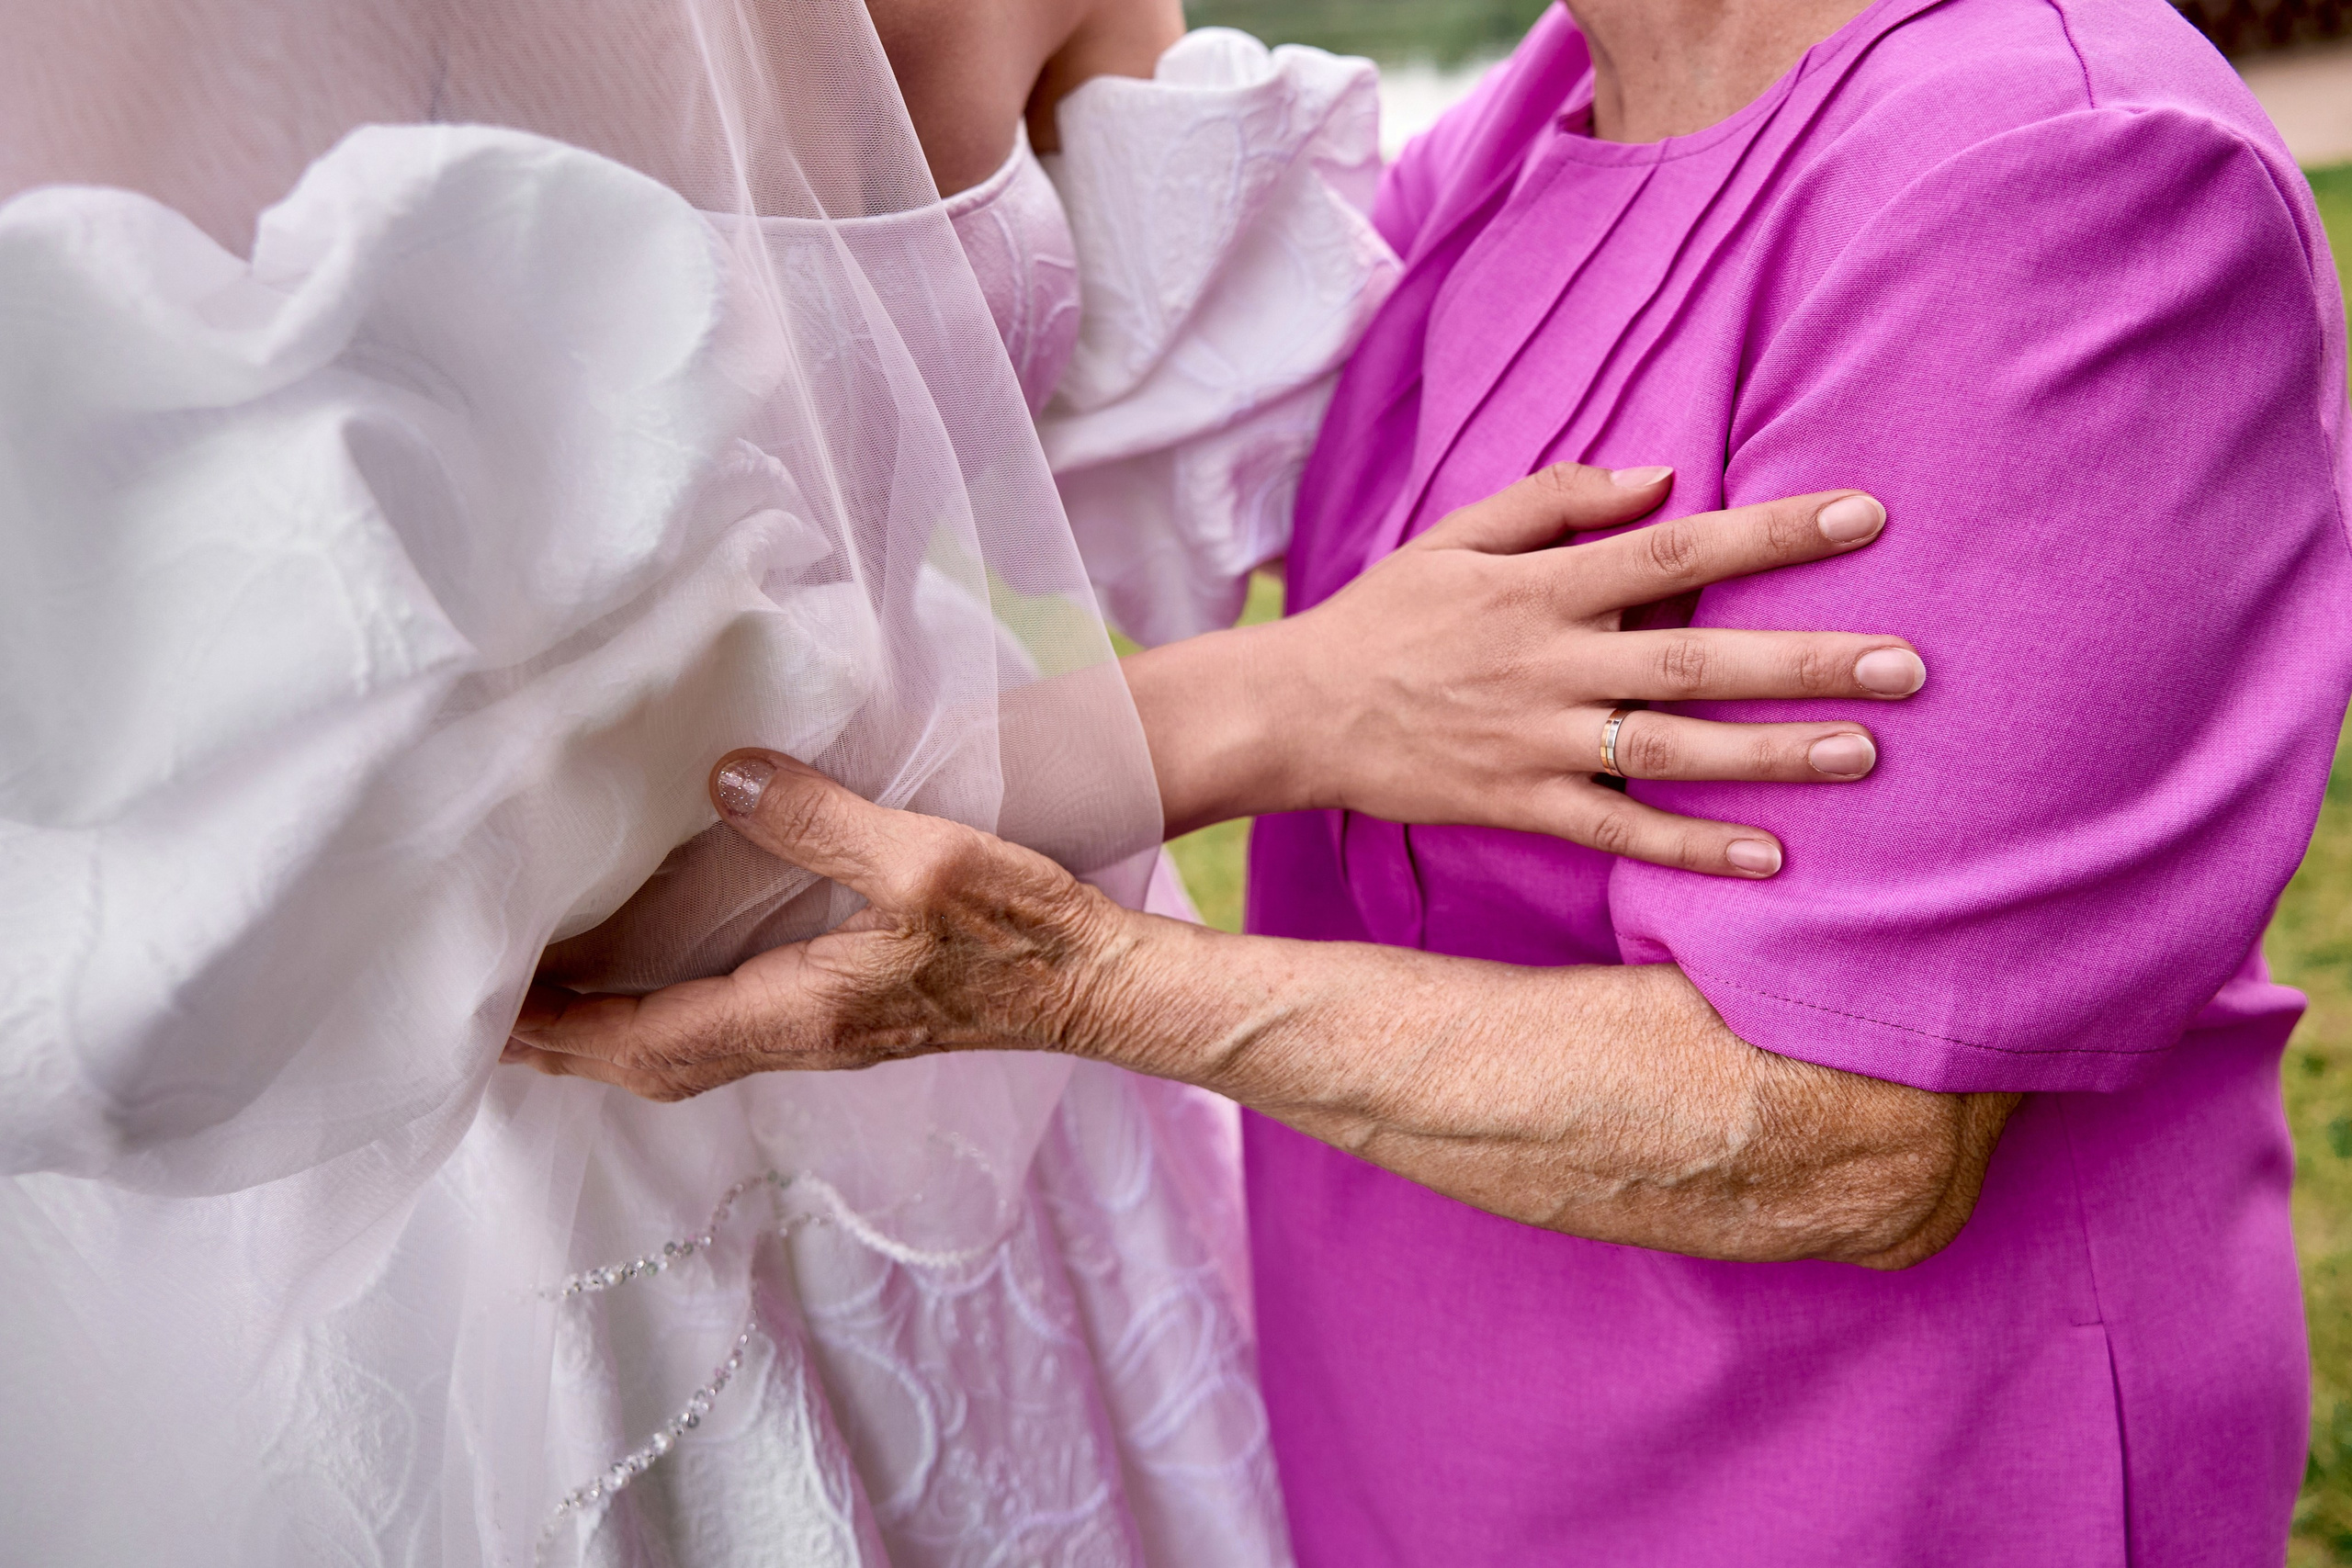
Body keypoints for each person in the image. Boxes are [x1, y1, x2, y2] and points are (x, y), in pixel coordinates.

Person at [0, 0, 1925, 1562]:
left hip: (1026, 1149)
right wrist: (1278, 704)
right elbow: (382, 907)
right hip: (500, 1248)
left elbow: (1227, 433)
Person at [516, 0, 2352, 1562]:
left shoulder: (2048, 172)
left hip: (1837, 1478)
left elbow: (1849, 1127)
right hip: (1423, 1460)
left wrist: (1082, 977)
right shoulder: (1534, 127)